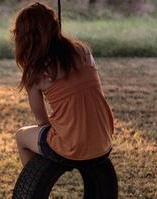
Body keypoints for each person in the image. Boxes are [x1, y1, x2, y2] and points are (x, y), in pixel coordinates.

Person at [11, 2, 114, 167]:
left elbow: (42, 122)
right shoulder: (84, 52)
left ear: (24, 38)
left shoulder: (37, 72)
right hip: (104, 142)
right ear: (54, 26)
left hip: (72, 149)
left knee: (21, 136)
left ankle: (32, 189)